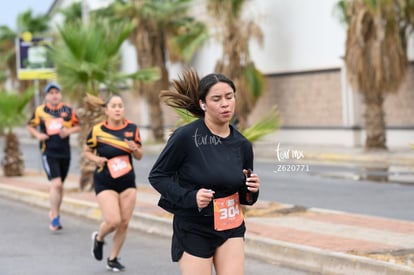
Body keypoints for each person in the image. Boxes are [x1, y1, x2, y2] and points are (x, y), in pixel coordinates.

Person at [148, 69, 260, 275]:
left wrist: (252, 189)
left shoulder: (242, 144)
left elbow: (244, 192)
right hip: (194, 227)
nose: (225, 103)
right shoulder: (186, 137)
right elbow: (157, 176)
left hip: (230, 224)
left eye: (229, 97)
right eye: (216, 99)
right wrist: (191, 197)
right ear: (203, 104)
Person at [83, 94, 143, 272]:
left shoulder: (132, 129)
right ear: (106, 110)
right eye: (114, 106)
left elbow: (139, 156)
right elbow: (86, 151)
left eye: (121, 105)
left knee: (124, 223)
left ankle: (113, 258)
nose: (118, 109)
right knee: (113, 221)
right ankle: (99, 238)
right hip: (105, 180)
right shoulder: (97, 131)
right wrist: (96, 159)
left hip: (127, 181)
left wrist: (135, 149)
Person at [27, 83, 80, 231]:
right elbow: (30, 125)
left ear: (60, 95)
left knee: (60, 186)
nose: (54, 95)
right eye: (51, 93)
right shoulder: (40, 111)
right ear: (46, 96)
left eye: (56, 92)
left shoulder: (68, 110)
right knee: (56, 184)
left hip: (65, 152)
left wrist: (68, 132)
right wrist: (38, 135)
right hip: (48, 152)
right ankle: (55, 216)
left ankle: (55, 211)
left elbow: (78, 126)